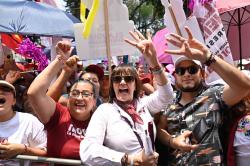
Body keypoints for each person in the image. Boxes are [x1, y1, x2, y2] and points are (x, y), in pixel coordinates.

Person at [157, 26, 250, 165]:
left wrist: (208, 57)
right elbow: (159, 129)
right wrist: (172, 141)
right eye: (181, 71)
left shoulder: (214, 95)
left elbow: (244, 86)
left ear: (202, 73)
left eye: (192, 69)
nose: (187, 74)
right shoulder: (169, 105)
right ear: (175, 76)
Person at [79, 30, 174, 166]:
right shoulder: (105, 111)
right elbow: (87, 151)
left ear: (135, 85)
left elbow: (167, 96)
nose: (122, 82)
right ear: (113, 86)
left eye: (128, 78)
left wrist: (153, 61)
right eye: (117, 79)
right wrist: (130, 160)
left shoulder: (143, 105)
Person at [27, 41, 97, 160]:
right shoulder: (58, 115)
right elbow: (34, 93)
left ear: (94, 101)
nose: (79, 98)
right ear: (68, 98)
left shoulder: (101, 121)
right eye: (75, 93)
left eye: (86, 94)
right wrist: (60, 60)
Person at [0, 80, 47, 166]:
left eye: (5, 90)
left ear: (14, 101)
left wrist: (24, 149)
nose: (0, 92)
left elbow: (47, 153)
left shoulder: (29, 121)